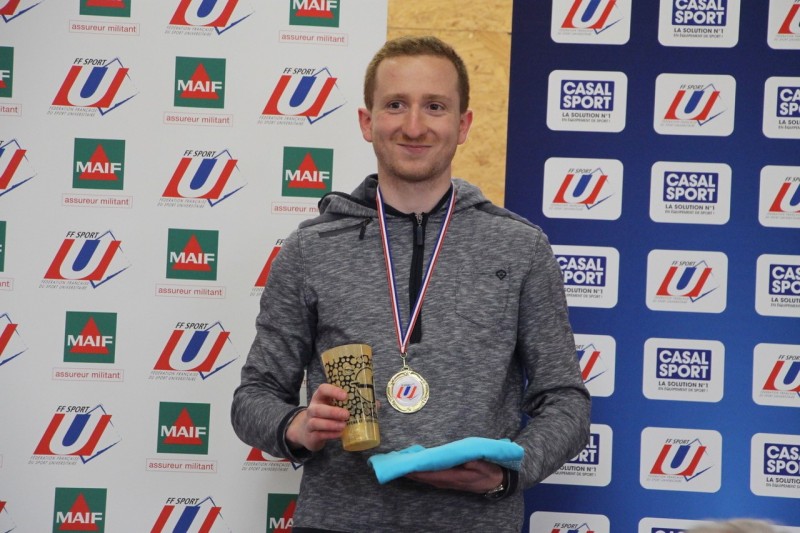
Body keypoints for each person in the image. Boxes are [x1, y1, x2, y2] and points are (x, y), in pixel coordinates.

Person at [231, 35, 591, 532]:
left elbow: (566, 400)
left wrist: (508, 475)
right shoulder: (310, 248)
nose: (414, 126)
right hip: (339, 522)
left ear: (463, 125)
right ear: (367, 122)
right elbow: (254, 395)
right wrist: (296, 426)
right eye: (396, 104)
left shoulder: (520, 247)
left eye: (435, 106)